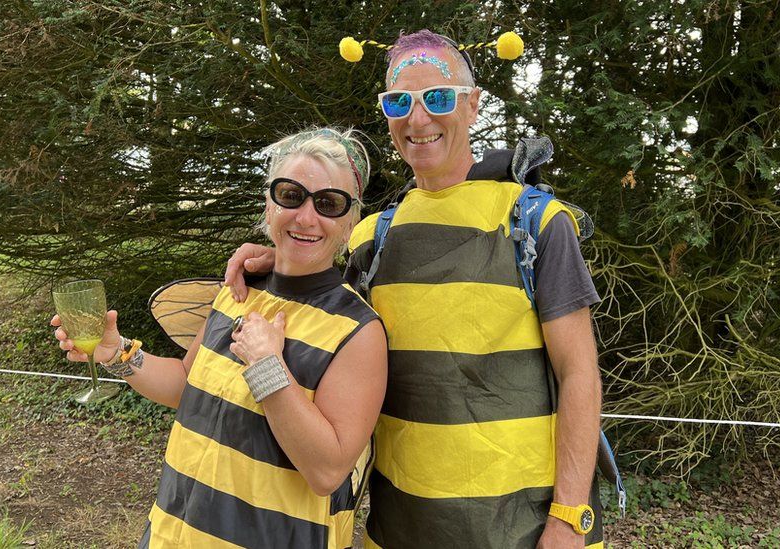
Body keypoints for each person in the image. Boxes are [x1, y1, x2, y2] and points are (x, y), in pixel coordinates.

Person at [225, 30, 604, 548]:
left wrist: (568, 518)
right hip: (398, 529)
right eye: (400, 101)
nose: (418, 118)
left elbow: (579, 371)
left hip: (522, 532)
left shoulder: (534, 222)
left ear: (472, 107)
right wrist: (279, 259)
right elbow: (322, 303)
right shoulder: (370, 236)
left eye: (439, 98)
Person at [52, 127, 388, 548]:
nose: (306, 216)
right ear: (269, 203)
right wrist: (116, 352)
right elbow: (183, 384)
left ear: (350, 220)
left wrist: (267, 367)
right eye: (290, 194)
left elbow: (327, 471)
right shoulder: (238, 291)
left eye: (328, 203)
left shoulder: (358, 330)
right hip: (172, 533)